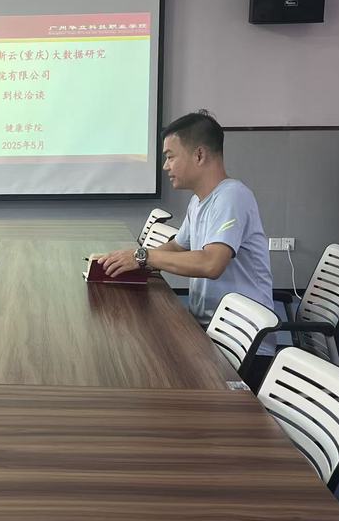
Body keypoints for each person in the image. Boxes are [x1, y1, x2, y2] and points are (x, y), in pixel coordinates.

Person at [98, 111, 274, 387]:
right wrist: (129, 261)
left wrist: (143, 257)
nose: (165, 166)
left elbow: (211, 264)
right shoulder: (199, 201)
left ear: (199, 155)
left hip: (244, 345)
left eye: (170, 156)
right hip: (208, 331)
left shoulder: (232, 196)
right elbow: (178, 246)